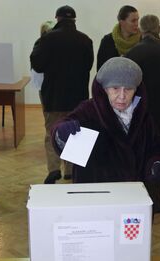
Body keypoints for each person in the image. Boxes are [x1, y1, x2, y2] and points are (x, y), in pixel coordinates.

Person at [51, 57, 160, 213]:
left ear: (136, 90)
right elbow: (61, 132)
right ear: (104, 89)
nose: (122, 96)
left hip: (132, 198)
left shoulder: (144, 117)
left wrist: (158, 164)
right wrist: (62, 133)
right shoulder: (88, 111)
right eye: (115, 88)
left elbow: (155, 149)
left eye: (128, 89)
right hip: (96, 197)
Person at [30, 5, 94, 184]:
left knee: (52, 131)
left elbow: (37, 65)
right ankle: (72, 170)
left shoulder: (46, 40)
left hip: (54, 95)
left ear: (57, 18)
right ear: (74, 20)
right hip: (78, 96)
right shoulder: (85, 40)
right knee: (76, 132)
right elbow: (88, 66)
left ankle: (53, 169)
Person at [125, 14, 160, 140]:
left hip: (140, 109)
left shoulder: (134, 53)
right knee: (157, 147)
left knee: (140, 148)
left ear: (141, 29)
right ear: (159, 28)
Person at [97, 5, 140, 70]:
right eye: (133, 21)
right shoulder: (108, 41)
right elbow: (101, 69)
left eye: (137, 20)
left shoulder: (142, 40)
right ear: (122, 22)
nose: (137, 24)